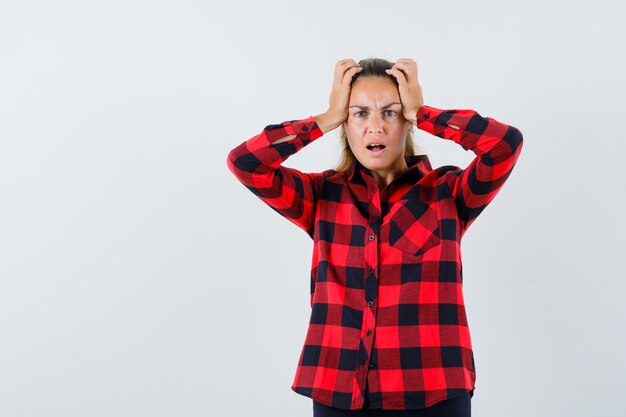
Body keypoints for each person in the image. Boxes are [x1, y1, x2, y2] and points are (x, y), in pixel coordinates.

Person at [226, 58, 523, 416]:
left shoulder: (450, 193)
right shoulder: (320, 196)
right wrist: (325, 118)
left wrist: (423, 111)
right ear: (345, 124)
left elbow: (505, 144)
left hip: (434, 390)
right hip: (339, 392)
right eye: (360, 114)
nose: (375, 127)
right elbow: (245, 163)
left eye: (391, 113)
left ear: (407, 123)